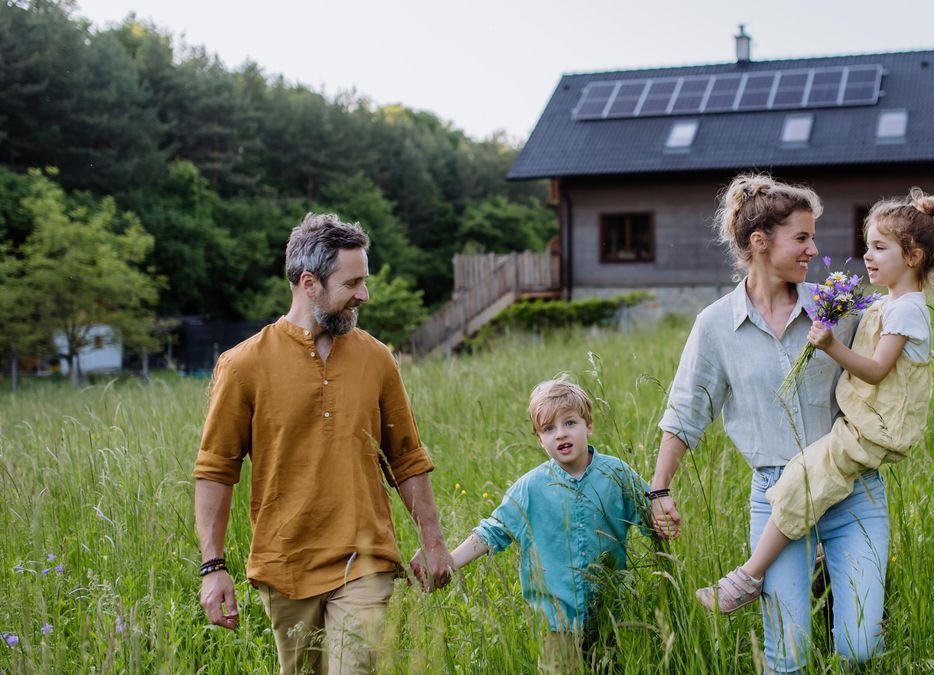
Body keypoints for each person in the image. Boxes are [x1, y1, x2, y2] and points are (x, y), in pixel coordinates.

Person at [193, 213, 454, 675]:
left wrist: (434, 543)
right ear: (309, 283)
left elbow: (407, 459)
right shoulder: (242, 365)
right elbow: (216, 469)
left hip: (366, 559)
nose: (364, 294)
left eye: (364, 281)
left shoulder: (377, 359)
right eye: (352, 282)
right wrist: (213, 567)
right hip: (285, 563)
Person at [694, 189, 934, 652]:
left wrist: (830, 345)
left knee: (799, 481)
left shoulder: (909, 309)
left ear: (912, 256)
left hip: (869, 431)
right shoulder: (888, 304)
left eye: (878, 248)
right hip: (859, 426)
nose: (866, 257)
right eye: (867, 245)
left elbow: (875, 369)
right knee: (803, 481)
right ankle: (791, 571)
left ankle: (749, 576)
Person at [648, 172, 864, 674]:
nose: (814, 249)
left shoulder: (835, 309)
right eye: (802, 238)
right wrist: (660, 490)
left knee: (860, 649)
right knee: (786, 655)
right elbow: (686, 410)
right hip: (774, 492)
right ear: (760, 243)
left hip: (846, 487)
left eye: (814, 237)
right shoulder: (716, 324)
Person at [436, 377, 651, 672]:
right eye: (549, 429)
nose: (561, 434)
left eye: (570, 423)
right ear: (539, 439)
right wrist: (449, 562)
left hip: (611, 616)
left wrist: (664, 518)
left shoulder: (616, 473)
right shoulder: (531, 488)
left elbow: (649, 510)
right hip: (555, 622)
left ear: (588, 426)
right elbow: (492, 531)